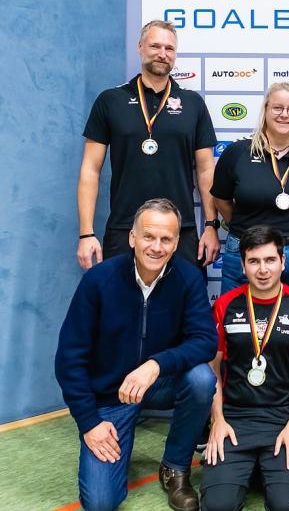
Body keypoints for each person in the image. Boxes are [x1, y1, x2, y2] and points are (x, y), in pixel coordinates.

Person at [55, 199, 217, 511]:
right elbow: (69, 359)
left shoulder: (187, 278)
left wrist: (156, 364)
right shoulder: (98, 281)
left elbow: (205, 340)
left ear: (176, 242)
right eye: (148, 236)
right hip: (110, 397)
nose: (156, 247)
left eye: (166, 239)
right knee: (101, 503)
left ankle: (174, 467)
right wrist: (90, 423)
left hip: (158, 383)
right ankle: (114, 442)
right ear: (132, 237)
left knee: (200, 379)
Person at [77, 20, 220, 270]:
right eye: (155, 46)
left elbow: (206, 170)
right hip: (125, 228)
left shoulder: (193, 103)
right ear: (140, 47)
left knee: (183, 308)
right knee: (120, 308)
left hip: (180, 231)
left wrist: (210, 226)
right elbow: (90, 169)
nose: (162, 54)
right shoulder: (110, 100)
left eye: (169, 48)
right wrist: (86, 233)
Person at [200, 225, 289, 511]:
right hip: (235, 420)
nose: (263, 269)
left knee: (287, 506)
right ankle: (250, 469)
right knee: (217, 506)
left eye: (270, 260)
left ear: (283, 262)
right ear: (242, 265)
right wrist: (217, 420)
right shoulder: (225, 306)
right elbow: (212, 369)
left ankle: (262, 470)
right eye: (254, 261)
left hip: (283, 420)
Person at [212, 82, 289, 303]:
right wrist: (249, 230)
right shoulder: (237, 153)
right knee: (234, 325)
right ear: (266, 110)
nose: (284, 115)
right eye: (277, 108)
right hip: (247, 252)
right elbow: (221, 199)